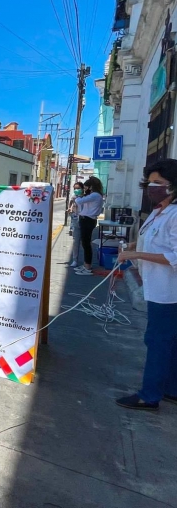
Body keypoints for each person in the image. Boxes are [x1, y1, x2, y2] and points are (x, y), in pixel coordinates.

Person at [115, 159, 177, 410]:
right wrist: (135, 247)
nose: (153, 187)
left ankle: (149, 395)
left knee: (158, 342)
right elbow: (153, 241)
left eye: (159, 183)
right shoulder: (158, 210)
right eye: (151, 182)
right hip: (157, 289)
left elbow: (174, 256)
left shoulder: (175, 215)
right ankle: (170, 388)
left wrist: (136, 256)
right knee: (169, 342)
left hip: (168, 293)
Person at [73, 177, 104, 276]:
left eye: (86, 187)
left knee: (86, 244)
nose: (85, 189)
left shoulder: (95, 195)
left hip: (88, 220)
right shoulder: (95, 195)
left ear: (91, 186)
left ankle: (87, 267)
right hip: (86, 219)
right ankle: (86, 264)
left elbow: (78, 201)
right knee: (85, 243)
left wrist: (79, 196)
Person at [67, 182, 84, 267]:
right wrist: (70, 209)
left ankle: (86, 262)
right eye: (75, 189)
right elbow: (71, 204)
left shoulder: (86, 198)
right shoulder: (74, 197)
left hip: (85, 221)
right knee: (76, 241)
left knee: (85, 242)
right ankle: (75, 260)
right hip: (75, 220)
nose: (76, 190)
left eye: (78, 188)